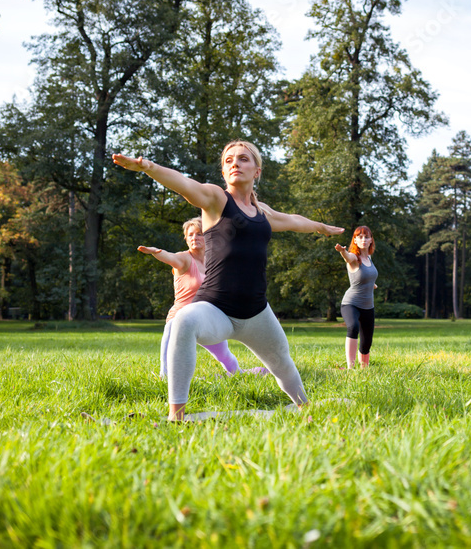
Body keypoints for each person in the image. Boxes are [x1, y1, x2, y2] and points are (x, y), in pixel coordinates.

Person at [113, 141, 343, 420]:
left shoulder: (262, 212)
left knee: (282, 363)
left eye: (244, 159)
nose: (235, 163)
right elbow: (185, 185)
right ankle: (177, 415)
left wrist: (321, 228)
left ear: (256, 170)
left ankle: (306, 409)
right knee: (183, 321)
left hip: (257, 312)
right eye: (229, 160)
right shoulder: (216, 199)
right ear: (223, 171)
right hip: (216, 308)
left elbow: (293, 220)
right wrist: (148, 167)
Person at [137, 216, 243, 379]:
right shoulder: (184, 259)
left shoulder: (214, 261)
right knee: (173, 326)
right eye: (191, 234)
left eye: (199, 234)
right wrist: (156, 252)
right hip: (181, 317)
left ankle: (240, 374)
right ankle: (165, 377)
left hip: (206, 319)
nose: (195, 238)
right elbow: (170, 257)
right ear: (186, 239)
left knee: (229, 364)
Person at [335, 226, 378, 369]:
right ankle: (350, 368)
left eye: (366, 237)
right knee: (353, 327)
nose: (363, 240)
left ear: (371, 240)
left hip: (368, 306)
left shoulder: (369, 258)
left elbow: (367, 276)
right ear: (355, 240)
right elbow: (348, 258)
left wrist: (372, 284)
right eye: (360, 237)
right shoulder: (354, 257)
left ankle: (364, 370)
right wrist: (343, 252)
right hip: (351, 303)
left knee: (367, 342)